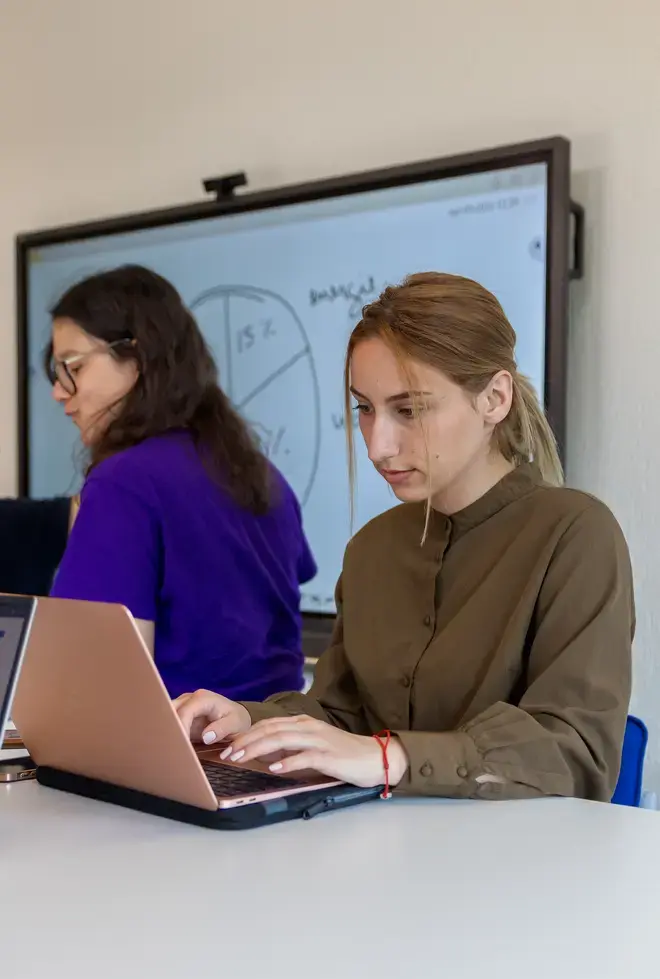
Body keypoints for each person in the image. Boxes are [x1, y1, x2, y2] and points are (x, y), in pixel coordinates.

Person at [174, 272, 634, 801]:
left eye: (409, 410)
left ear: (494, 398)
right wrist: (245, 720)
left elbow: (572, 752)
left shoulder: (576, 535)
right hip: (380, 856)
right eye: (364, 410)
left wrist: (389, 757)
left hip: (512, 869)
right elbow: (340, 712)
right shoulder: (371, 549)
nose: (377, 446)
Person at [47, 264, 316, 701]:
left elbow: (100, 689)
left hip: (180, 755)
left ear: (136, 358)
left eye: (71, 367)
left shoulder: (122, 483)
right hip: (275, 747)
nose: (60, 391)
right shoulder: (264, 476)